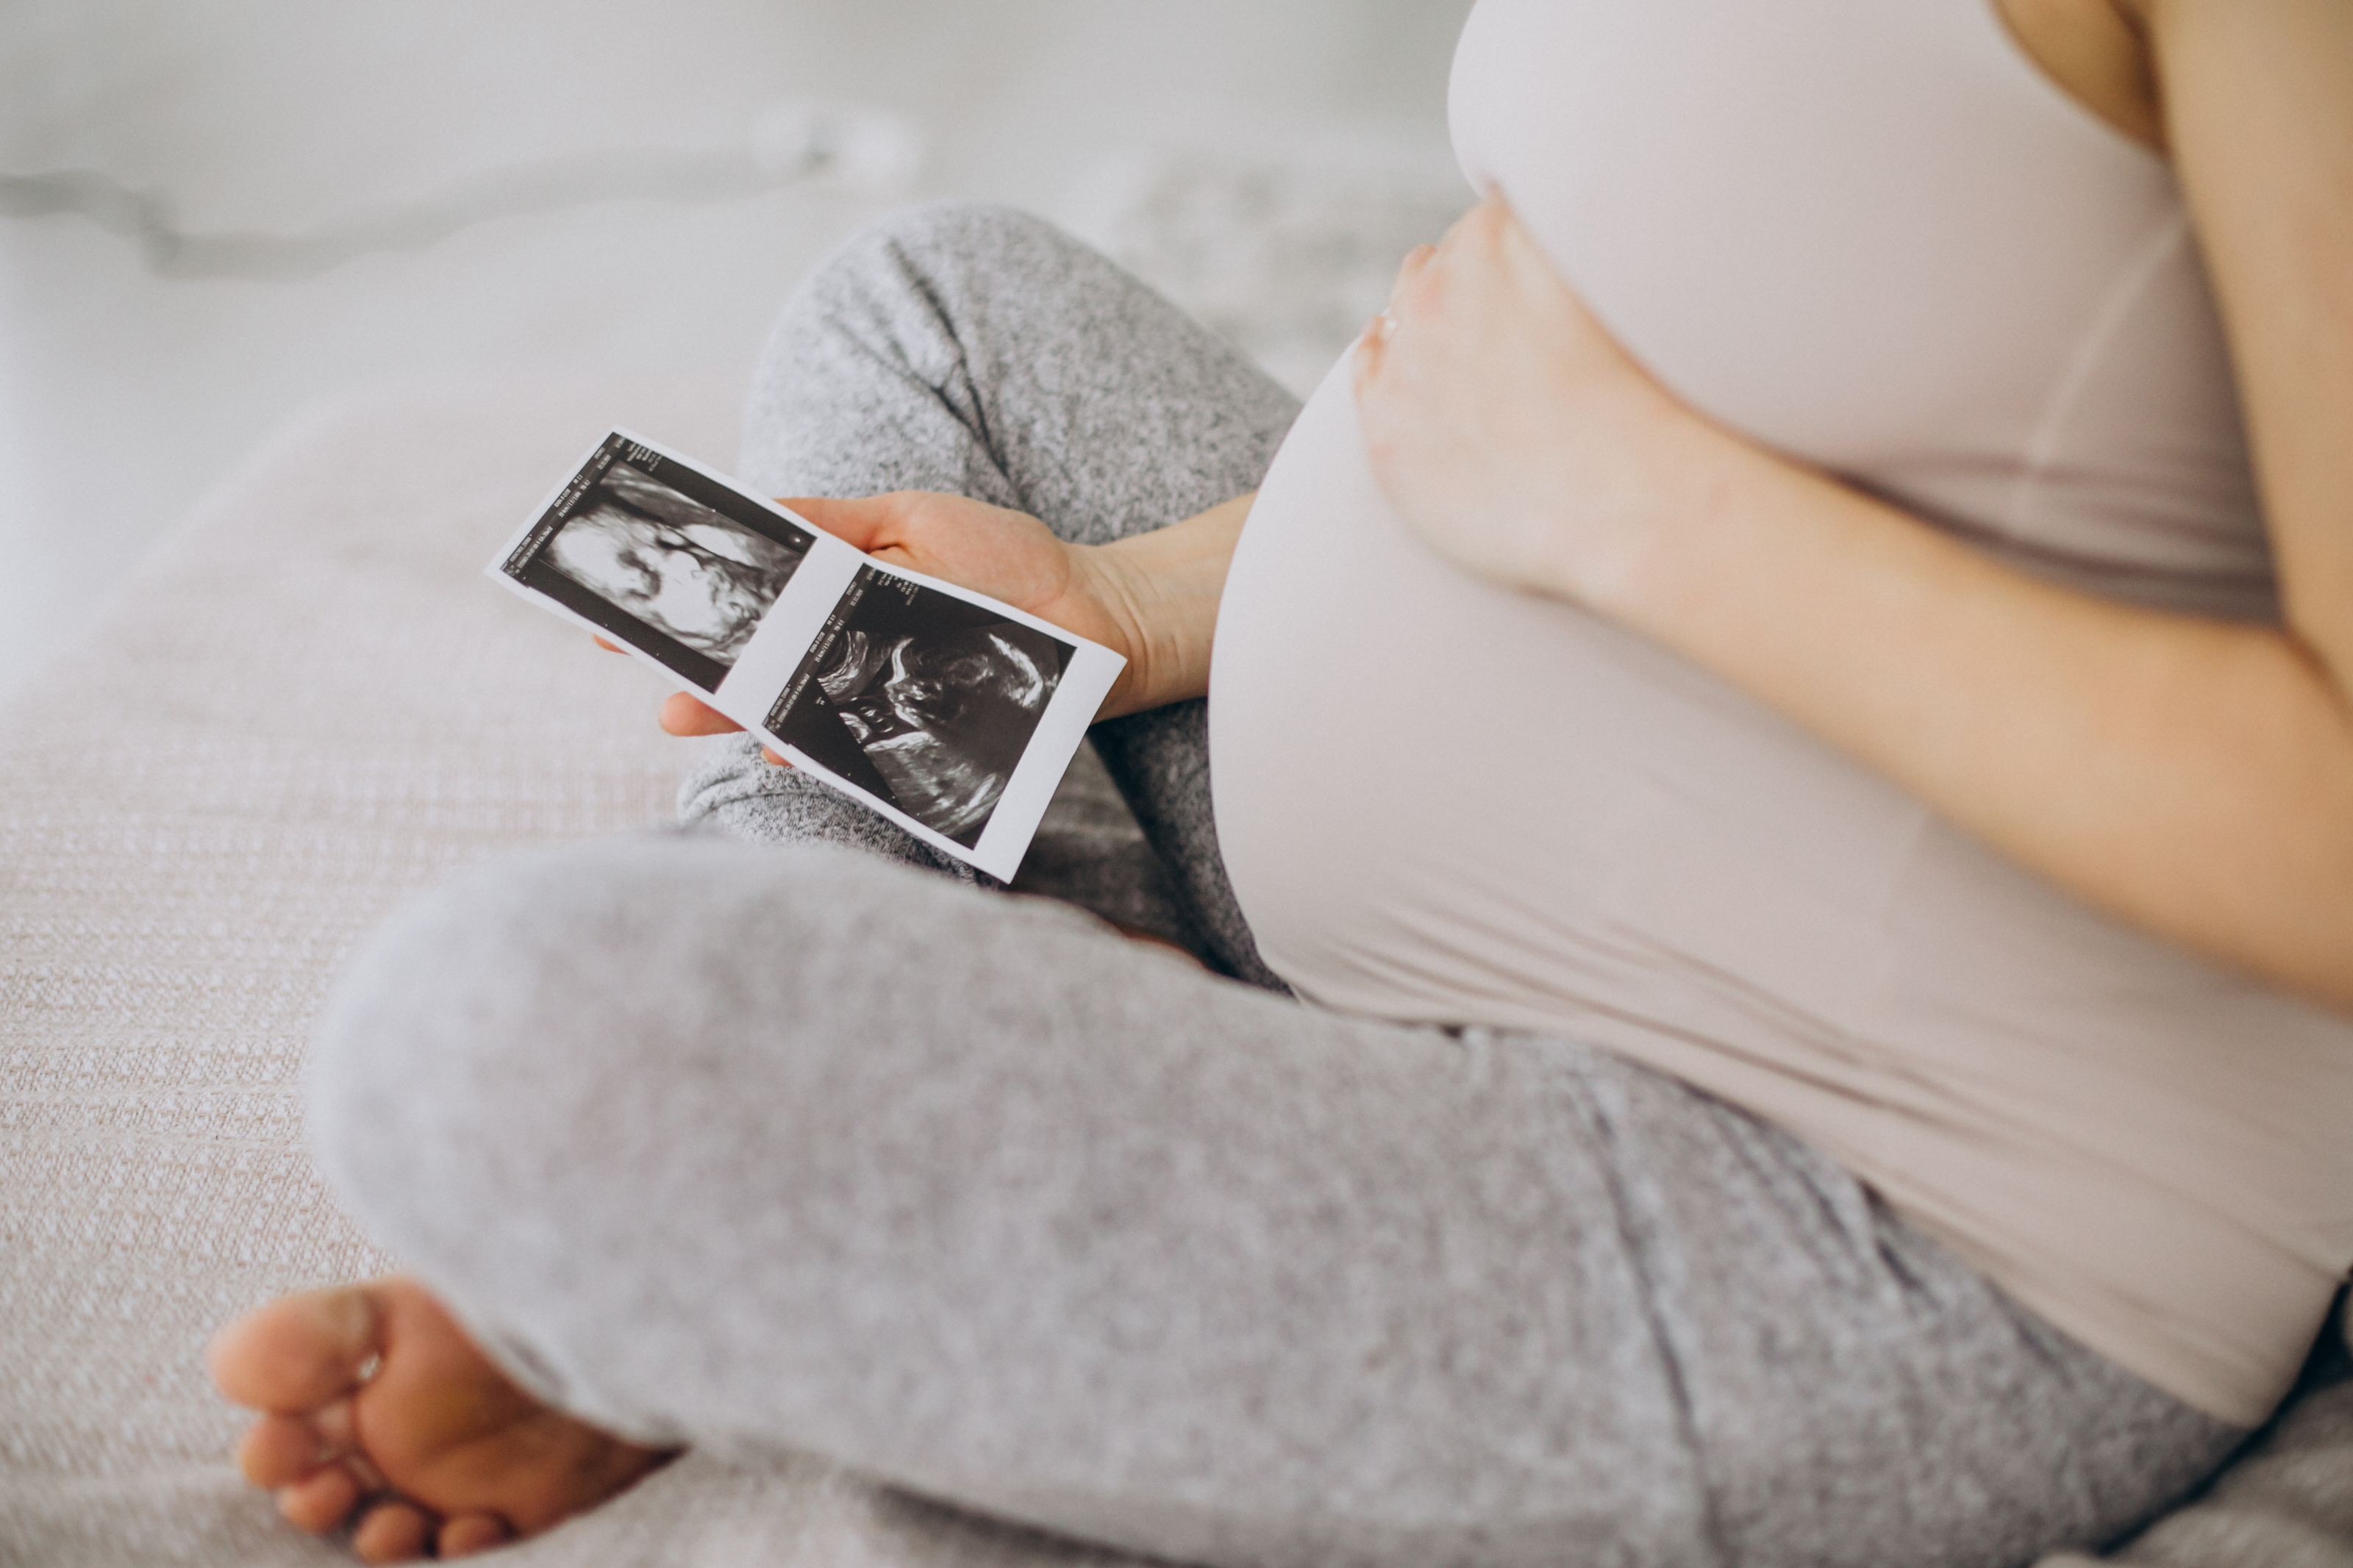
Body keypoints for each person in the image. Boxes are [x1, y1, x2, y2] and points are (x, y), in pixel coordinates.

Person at [206, 1, 2353, 1564]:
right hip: (1543, 840)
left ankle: (837, 1226)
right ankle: (921, 1199)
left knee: (507, 1051)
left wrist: (1640, 512)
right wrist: (1123, 607)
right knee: (937, 306)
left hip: (1866, 1202)